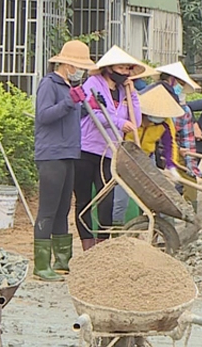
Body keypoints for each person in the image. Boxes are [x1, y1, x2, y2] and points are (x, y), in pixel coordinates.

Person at [33, 40, 96, 280]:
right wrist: (69, 102)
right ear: (67, 63)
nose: (80, 70)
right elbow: (44, 115)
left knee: (63, 209)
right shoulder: (49, 84)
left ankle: (62, 261)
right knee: (48, 209)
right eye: (78, 65)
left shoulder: (69, 85)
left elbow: (69, 116)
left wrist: (82, 106)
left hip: (70, 152)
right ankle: (41, 265)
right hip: (51, 154)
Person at [75, 46, 144, 249]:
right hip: (87, 150)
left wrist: (132, 93)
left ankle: (104, 245)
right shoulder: (93, 85)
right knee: (84, 199)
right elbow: (93, 113)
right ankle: (88, 246)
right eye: (120, 68)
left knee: (107, 199)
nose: (124, 72)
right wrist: (117, 122)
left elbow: (136, 120)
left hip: (110, 152)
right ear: (109, 68)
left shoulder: (124, 91)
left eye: (127, 69)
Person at [157, 62, 202, 208]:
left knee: (189, 180)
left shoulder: (184, 110)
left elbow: (188, 139)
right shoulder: (152, 103)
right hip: (151, 150)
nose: (180, 87)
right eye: (179, 82)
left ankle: (191, 219)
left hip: (174, 149)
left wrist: (190, 164)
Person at [135, 83, 185, 172]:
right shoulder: (133, 114)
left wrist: (171, 165)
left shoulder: (165, 122)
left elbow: (170, 144)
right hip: (125, 153)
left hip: (147, 156)